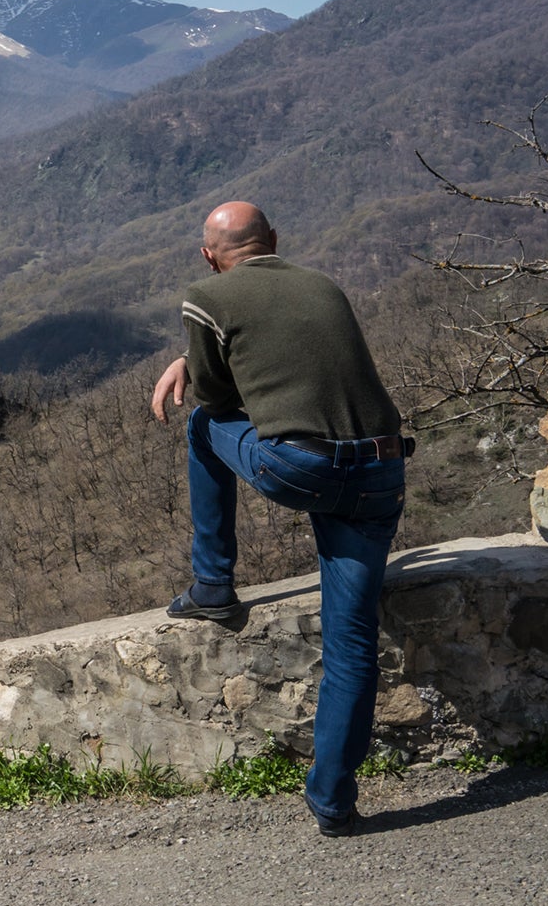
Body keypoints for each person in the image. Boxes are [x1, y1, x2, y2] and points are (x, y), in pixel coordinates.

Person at [149, 201, 410, 836]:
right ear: (274, 241)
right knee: (352, 644)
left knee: (205, 425)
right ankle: (332, 803)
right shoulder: (323, 284)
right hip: (380, 469)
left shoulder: (206, 295)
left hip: (303, 468)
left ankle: (213, 582)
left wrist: (188, 358)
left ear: (209, 255)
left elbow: (217, 395)